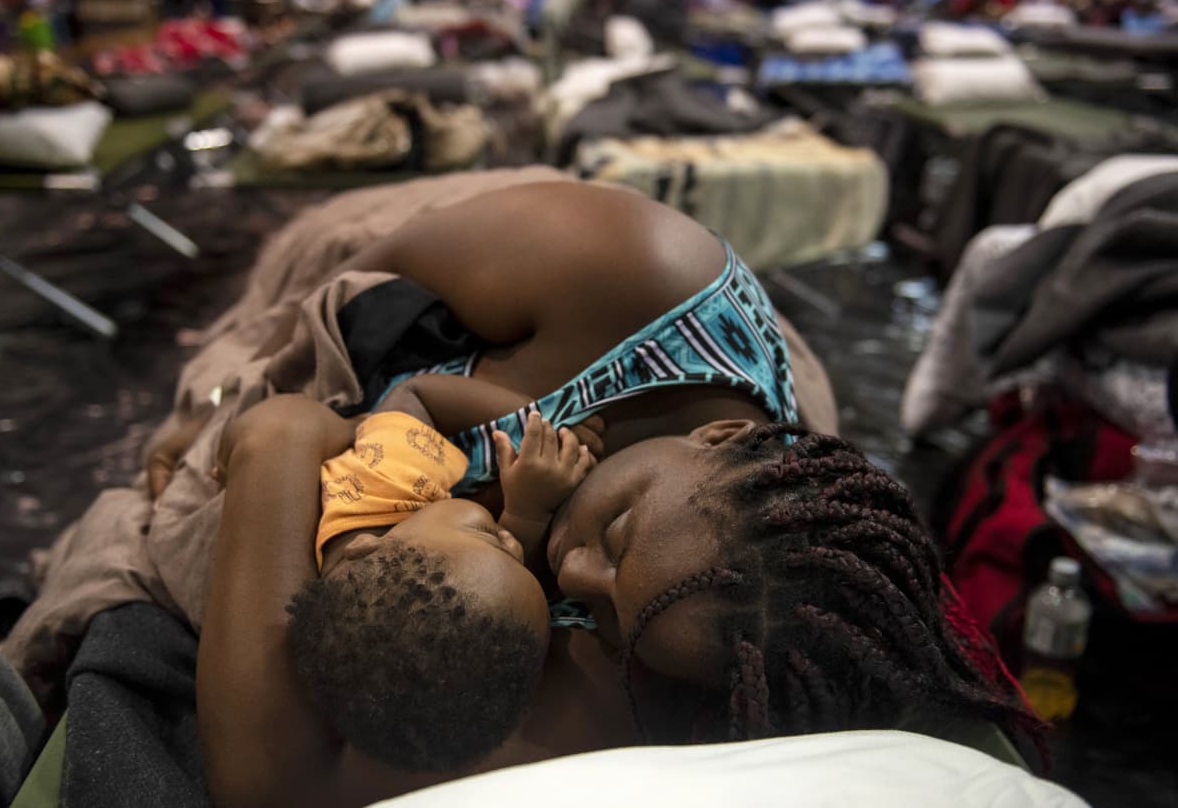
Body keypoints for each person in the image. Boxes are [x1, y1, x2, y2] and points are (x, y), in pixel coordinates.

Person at [195, 181, 1042, 806]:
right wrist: (255, 398)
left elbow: (272, 784)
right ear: (717, 438)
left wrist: (281, 446)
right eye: (621, 528)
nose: (567, 577)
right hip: (452, 244)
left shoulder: (692, 631)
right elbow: (389, 256)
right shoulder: (629, 270)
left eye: (602, 620)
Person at [282, 372, 598, 773]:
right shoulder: (398, 581)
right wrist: (525, 512)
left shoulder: (384, 488)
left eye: (490, 534)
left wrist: (545, 421)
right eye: (516, 559)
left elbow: (417, 394)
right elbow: (487, 577)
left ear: (366, 546)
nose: (515, 541)